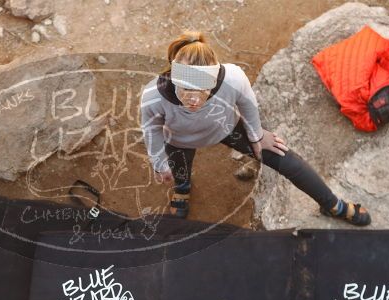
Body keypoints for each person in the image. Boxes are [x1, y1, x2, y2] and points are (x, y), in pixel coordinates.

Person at [139, 30, 371, 225]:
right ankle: (183, 189)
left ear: (214, 81)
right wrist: (159, 163)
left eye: (201, 93)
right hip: (180, 140)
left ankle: (333, 204)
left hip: (225, 127)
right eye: (185, 92)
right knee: (179, 169)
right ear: (173, 79)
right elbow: (151, 130)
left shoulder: (232, 78)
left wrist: (257, 135)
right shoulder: (153, 96)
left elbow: (247, 104)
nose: (193, 101)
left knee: (284, 156)